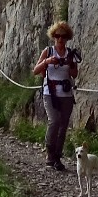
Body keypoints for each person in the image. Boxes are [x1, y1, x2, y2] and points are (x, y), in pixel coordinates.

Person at [33, 21, 81, 171]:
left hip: (66, 93)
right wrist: (47, 61)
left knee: (63, 125)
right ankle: (50, 153)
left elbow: (74, 74)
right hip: (50, 92)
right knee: (54, 121)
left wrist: (70, 63)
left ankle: (57, 157)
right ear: (53, 37)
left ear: (67, 38)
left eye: (64, 36)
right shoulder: (48, 51)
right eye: (58, 36)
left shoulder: (70, 54)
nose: (60, 39)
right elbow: (35, 70)